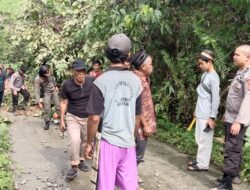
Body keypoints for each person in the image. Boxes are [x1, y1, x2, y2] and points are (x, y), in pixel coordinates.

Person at [84, 33, 143, 190]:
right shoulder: (136, 81)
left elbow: (94, 119)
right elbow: (137, 117)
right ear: (128, 55)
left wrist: (89, 143)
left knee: (105, 185)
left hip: (108, 143)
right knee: (130, 186)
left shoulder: (101, 81)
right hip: (128, 143)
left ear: (108, 54)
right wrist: (135, 137)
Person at [211, 45, 250, 190]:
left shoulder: (248, 75)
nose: (234, 56)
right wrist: (227, 116)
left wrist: (238, 122)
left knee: (232, 150)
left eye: (237, 55)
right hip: (231, 117)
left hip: (237, 120)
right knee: (233, 147)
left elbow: (248, 101)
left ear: (248, 57)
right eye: (234, 54)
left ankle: (226, 185)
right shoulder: (241, 72)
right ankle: (230, 176)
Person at [60, 59, 94, 180]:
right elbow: (64, 102)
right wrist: (62, 120)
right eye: (78, 71)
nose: (81, 74)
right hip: (72, 116)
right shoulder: (67, 85)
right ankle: (74, 166)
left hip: (88, 117)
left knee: (85, 141)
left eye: (83, 71)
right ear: (73, 72)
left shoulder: (91, 81)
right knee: (75, 140)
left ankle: (81, 160)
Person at [187, 50, 220, 171]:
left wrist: (212, 117)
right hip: (200, 112)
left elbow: (216, 99)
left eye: (201, 63)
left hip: (207, 114)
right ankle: (200, 160)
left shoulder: (214, 78)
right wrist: (196, 110)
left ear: (209, 62)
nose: (200, 66)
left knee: (205, 141)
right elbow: (201, 95)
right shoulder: (205, 75)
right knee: (199, 139)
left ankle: (203, 164)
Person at [131, 49, 156, 183]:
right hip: (139, 125)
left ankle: (130, 173)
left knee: (138, 150)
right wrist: (146, 125)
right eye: (150, 64)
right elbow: (137, 105)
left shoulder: (143, 78)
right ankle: (127, 174)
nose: (152, 66)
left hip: (142, 123)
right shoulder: (137, 80)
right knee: (138, 151)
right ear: (143, 66)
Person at [34, 64, 60, 130]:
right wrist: (38, 102)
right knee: (47, 108)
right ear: (42, 74)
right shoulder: (37, 79)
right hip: (46, 93)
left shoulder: (48, 71)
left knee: (58, 106)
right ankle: (47, 122)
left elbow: (52, 79)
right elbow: (36, 91)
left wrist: (56, 86)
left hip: (53, 91)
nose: (48, 74)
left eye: (48, 72)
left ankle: (62, 120)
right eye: (46, 74)